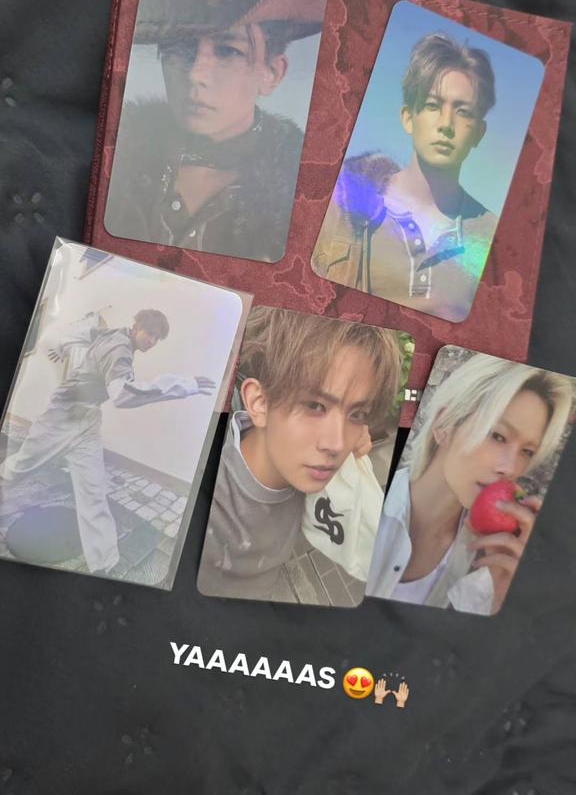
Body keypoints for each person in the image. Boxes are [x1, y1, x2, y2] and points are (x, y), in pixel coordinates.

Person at [105, 0, 328, 262]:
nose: (196, 74)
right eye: (181, 47)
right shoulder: (116, 159)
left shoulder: (305, 199)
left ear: (272, 73)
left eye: (228, 51)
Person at [197, 307, 401, 601]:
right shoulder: (207, 503)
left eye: (356, 413)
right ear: (259, 403)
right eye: (315, 406)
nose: (336, 444)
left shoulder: (313, 469)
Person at [0, 309, 216, 574]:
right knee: (20, 466)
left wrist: (62, 345)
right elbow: (122, 395)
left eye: (157, 338)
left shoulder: (111, 333)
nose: (151, 341)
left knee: (93, 489)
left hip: (88, 421)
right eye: (149, 333)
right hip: (61, 417)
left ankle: (104, 563)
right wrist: (184, 386)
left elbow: (85, 333)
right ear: (136, 326)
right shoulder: (120, 350)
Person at [366, 353, 573, 614]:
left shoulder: (490, 562)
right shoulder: (367, 504)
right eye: (498, 436)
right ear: (444, 425)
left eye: (527, 452)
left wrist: (503, 606)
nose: (510, 468)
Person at [312, 32, 499, 322]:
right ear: (408, 118)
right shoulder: (340, 203)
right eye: (433, 106)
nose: (446, 124)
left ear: (479, 132)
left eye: (463, 111)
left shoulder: (491, 239)